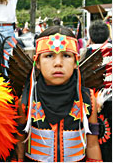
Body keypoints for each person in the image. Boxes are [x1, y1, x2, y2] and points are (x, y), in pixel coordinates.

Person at [16, 26, 102, 162]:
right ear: (37, 62)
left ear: (76, 61)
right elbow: (19, 144)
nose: (58, 63)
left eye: (66, 56)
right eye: (49, 56)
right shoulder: (27, 100)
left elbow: (92, 145)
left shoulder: (87, 99)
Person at [86, 20, 112, 162]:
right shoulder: (111, 49)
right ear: (108, 36)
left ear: (90, 37)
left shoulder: (87, 54)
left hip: (94, 100)